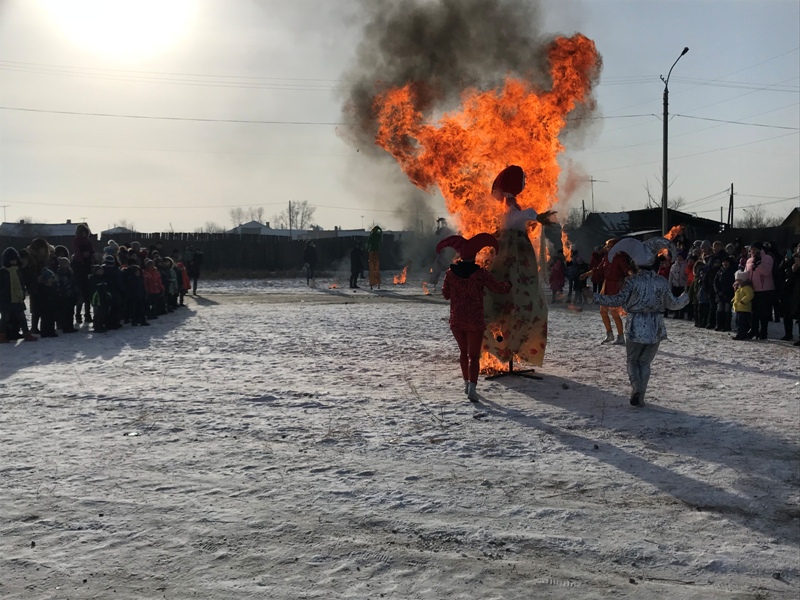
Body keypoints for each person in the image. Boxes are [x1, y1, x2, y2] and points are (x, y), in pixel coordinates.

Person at [594, 237, 688, 406]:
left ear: (636, 264)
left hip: (636, 325)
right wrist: (685, 297)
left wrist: (594, 296)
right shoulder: (661, 281)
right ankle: (641, 395)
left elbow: (616, 300)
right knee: (644, 362)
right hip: (655, 326)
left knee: (632, 360)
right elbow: (673, 304)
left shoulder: (632, 281)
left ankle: (636, 388)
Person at [483, 165, 555, 369]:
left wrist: (533, 217)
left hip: (514, 255)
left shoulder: (510, 206)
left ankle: (512, 347)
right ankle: (506, 347)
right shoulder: (509, 208)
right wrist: (535, 216)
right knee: (515, 299)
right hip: (511, 256)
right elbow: (516, 218)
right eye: (522, 180)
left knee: (521, 301)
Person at [439, 233, 511, 402]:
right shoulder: (480, 274)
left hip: (457, 320)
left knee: (463, 352)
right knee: (473, 355)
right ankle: (472, 387)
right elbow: (498, 287)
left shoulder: (450, 273)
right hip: (475, 320)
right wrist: (509, 285)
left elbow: (445, 294)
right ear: (475, 256)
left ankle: (466, 383)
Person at [0, 247, 37, 343]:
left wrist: (23, 292)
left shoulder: (17, 271)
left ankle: (26, 334)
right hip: (6, 300)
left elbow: (21, 283)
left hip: (18, 298)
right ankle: (2, 335)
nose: (14, 262)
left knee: (22, 317)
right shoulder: (3, 272)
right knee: (5, 318)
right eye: (11, 260)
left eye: (15, 259)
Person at [598, 238, 629, 345]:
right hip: (606, 286)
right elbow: (599, 269)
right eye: (607, 246)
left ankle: (620, 337)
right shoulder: (606, 258)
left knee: (615, 313)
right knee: (603, 311)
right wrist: (587, 274)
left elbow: (626, 270)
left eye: (610, 246)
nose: (608, 248)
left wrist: (630, 274)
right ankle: (609, 334)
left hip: (615, 287)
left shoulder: (620, 259)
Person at [744, 242, 775, 339]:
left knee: (764, 313)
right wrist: (741, 281)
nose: (752, 251)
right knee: (754, 312)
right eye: (751, 249)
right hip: (753, 288)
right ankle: (754, 330)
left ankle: (763, 332)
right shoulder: (749, 260)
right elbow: (747, 273)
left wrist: (759, 263)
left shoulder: (767, 258)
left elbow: (766, 272)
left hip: (765, 289)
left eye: (754, 249)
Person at [732, 270, 754, 341]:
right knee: (738, 321)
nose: (738, 282)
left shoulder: (747, 288)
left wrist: (743, 301)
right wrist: (733, 300)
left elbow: (750, 295)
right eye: (737, 280)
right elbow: (737, 296)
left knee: (742, 322)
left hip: (744, 308)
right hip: (739, 308)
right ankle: (741, 333)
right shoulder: (739, 288)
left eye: (739, 280)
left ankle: (741, 334)